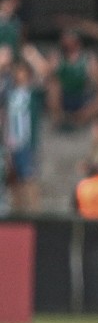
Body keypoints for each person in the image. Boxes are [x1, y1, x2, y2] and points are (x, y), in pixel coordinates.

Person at [4, 48, 47, 212]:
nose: (18, 74)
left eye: (22, 71)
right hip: (11, 141)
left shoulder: (32, 92)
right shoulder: (9, 92)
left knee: (29, 178)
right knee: (14, 180)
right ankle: (17, 212)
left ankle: (34, 212)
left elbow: (45, 74)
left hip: (26, 142)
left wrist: (32, 56)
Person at [46, 30, 98, 131]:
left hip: (82, 96)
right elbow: (47, 76)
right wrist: (52, 67)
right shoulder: (56, 57)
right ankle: (59, 119)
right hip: (63, 96)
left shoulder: (89, 59)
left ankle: (76, 119)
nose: (66, 42)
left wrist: (95, 75)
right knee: (53, 85)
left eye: (70, 39)